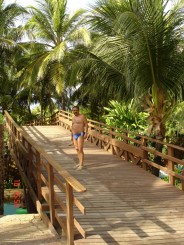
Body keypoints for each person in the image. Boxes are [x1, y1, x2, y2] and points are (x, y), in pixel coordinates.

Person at [71, 105, 88, 170]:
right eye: (74, 110)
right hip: (74, 134)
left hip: (80, 134)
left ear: (78, 110)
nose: (75, 111)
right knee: (77, 149)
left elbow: (86, 125)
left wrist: (86, 133)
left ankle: (81, 165)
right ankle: (79, 162)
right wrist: (71, 136)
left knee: (80, 149)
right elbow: (72, 126)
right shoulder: (73, 117)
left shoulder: (82, 116)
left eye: (76, 110)